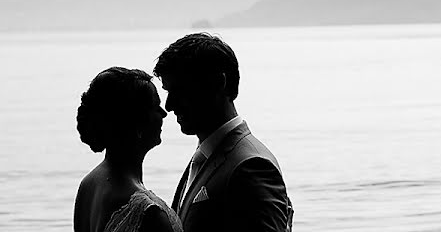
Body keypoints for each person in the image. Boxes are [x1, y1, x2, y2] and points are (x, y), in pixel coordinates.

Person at [153, 33, 292, 232]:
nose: (169, 105)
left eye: (180, 91)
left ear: (218, 83)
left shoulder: (252, 167)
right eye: (168, 92)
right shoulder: (207, 156)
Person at [74, 67, 182, 232]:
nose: (164, 113)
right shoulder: (148, 213)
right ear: (136, 123)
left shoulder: (89, 184)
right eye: (155, 106)